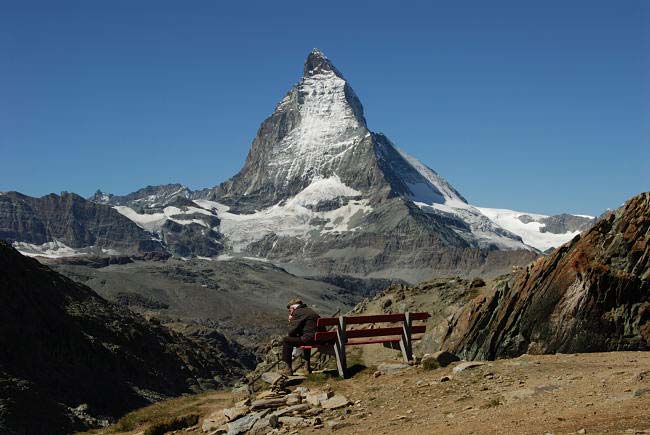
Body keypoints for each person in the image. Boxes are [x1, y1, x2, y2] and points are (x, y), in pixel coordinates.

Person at [281, 298, 320, 375]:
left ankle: (287, 369)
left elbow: (291, 332)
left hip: (310, 339)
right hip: (320, 338)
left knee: (286, 340)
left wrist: (291, 320)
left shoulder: (297, 312)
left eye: (289, 311)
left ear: (292, 308)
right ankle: (307, 367)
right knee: (306, 337)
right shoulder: (310, 310)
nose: (290, 313)